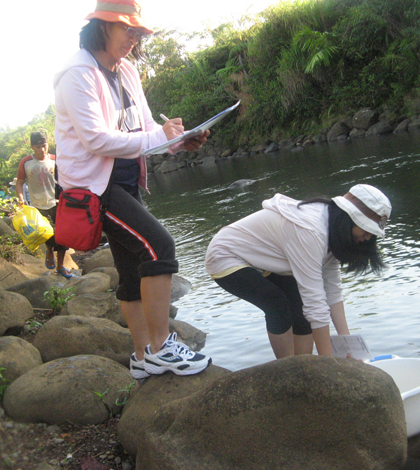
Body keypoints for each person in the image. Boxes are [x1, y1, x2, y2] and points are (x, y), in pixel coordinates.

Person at [53, 0, 211, 379]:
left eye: (138, 31)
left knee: (130, 271)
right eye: (127, 29)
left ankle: (141, 356)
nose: (134, 38)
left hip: (124, 179)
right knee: (160, 246)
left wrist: (176, 139)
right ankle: (160, 347)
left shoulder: (126, 70)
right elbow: (95, 139)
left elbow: (142, 128)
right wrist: (158, 135)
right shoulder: (76, 73)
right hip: (94, 187)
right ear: (101, 26)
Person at [205, 184, 392, 359]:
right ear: (349, 218)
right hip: (227, 254)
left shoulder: (335, 231)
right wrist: (330, 365)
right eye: (366, 230)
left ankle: (307, 368)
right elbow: (316, 302)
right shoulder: (311, 231)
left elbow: (333, 291)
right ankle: (290, 370)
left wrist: (349, 348)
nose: (367, 238)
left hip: (271, 258)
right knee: (277, 304)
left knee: (301, 311)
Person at [15, 131, 72, 278]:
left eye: (44, 146)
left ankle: (60, 266)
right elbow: (19, 183)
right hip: (37, 205)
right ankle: (48, 250)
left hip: (57, 202)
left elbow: (66, 178)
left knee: (63, 236)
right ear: (32, 147)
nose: (42, 150)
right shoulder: (26, 162)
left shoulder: (55, 160)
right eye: (38, 146)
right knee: (47, 233)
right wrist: (22, 199)